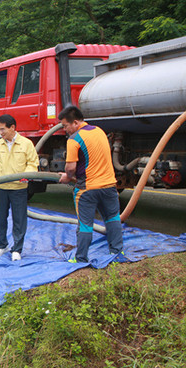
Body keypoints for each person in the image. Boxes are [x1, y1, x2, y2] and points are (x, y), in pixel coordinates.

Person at [57, 105, 123, 263]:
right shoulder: (99, 131)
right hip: (109, 186)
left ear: (76, 122)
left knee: (85, 225)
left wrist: (67, 176)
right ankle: (116, 253)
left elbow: (71, 167)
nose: (65, 129)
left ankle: (81, 259)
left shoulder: (74, 139)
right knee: (113, 219)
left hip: (87, 189)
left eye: (65, 126)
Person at [0, 114, 39, 261]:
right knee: (1, 218)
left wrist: (27, 175)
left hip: (18, 188)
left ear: (12, 128)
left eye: (3, 129)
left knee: (19, 219)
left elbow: (32, 163)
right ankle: (1, 245)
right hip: (1, 187)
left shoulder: (26, 144)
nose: (0, 133)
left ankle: (17, 249)